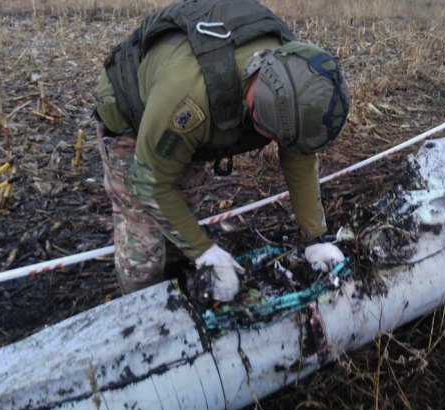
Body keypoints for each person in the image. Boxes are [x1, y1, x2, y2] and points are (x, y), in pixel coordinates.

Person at [93, 0, 350, 301]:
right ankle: (139, 313)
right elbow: (150, 182)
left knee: (181, 215)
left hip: (180, 113)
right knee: (144, 240)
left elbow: (300, 159)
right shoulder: (190, 101)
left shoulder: (296, 80)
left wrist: (314, 238)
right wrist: (204, 250)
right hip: (131, 113)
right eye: (265, 128)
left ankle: (183, 284)